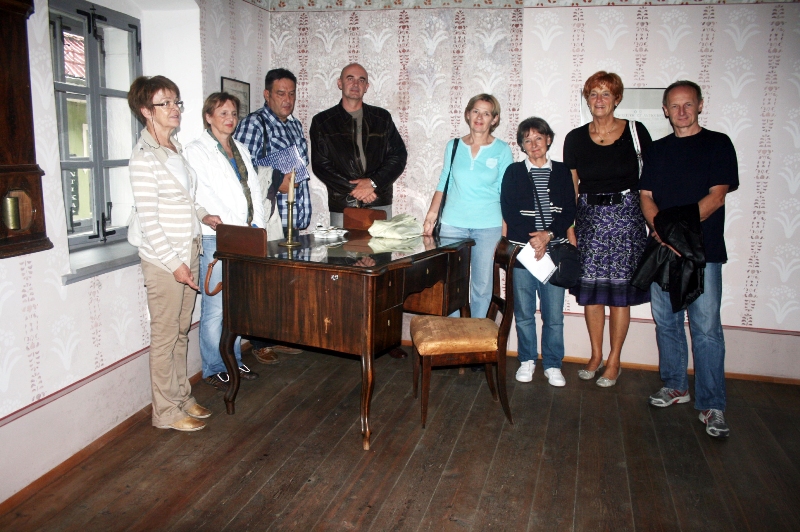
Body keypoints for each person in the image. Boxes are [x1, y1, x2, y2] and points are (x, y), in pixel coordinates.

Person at [640, 80, 738, 438]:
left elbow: (717, 196)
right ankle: (675, 385)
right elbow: (646, 196)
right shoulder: (657, 150)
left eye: (688, 104)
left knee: (706, 329)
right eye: (674, 105)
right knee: (666, 322)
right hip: (663, 250)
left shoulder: (718, 144)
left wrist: (676, 232)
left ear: (699, 105)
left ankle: (712, 404)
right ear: (665, 110)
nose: (681, 111)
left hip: (703, 252)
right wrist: (664, 234)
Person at [128, 75, 221, 431]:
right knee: (165, 337)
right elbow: (149, 221)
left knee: (181, 331)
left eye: (176, 101)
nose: (175, 109)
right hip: (164, 262)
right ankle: (165, 411)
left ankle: (182, 397)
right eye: (165, 103)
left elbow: (184, 199)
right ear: (145, 110)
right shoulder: (143, 158)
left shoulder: (173, 148)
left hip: (188, 252)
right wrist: (176, 266)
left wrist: (203, 215)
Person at [563, 71, 652, 387]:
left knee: (619, 295)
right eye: (593, 94)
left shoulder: (636, 132)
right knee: (592, 293)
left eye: (605, 93)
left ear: (617, 99)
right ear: (587, 100)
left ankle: (614, 360)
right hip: (589, 221)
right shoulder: (575, 138)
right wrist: (570, 226)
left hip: (626, 219)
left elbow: (650, 182)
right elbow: (571, 187)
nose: (599, 99)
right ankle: (596, 355)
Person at [185, 92, 265, 391]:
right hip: (217, 237)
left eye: (233, 113)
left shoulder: (240, 148)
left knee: (237, 305)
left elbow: (253, 192)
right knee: (216, 307)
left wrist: (256, 226)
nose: (230, 118)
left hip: (244, 236)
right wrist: (237, 227)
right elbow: (204, 195)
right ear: (208, 117)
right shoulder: (196, 151)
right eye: (223, 113)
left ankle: (233, 360)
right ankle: (214, 367)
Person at [234, 68, 307, 364]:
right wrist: (276, 181)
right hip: (271, 218)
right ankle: (260, 341)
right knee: (263, 282)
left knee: (285, 282)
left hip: (292, 217)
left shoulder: (295, 125)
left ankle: (280, 335)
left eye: (291, 93)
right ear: (267, 94)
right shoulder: (254, 124)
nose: (287, 99)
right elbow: (241, 170)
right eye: (280, 93)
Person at [422, 94, 513, 321]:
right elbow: (444, 181)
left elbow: (507, 193)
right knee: (451, 282)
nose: (480, 117)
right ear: (467, 114)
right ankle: (453, 332)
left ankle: (477, 331)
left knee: (482, 285)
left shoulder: (502, 149)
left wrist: (505, 231)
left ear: (494, 119)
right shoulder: (453, 146)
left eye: (486, 113)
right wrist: (431, 215)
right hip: (453, 224)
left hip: (488, 226)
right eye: (476, 111)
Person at [501, 117, 575, 387]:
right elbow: (509, 211)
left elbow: (569, 210)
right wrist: (534, 241)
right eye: (527, 140)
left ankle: (553, 364)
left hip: (554, 253)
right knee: (524, 313)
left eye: (538, 138)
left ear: (548, 140)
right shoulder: (513, 172)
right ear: (522, 145)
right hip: (523, 254)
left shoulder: (562, 171)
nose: (534, 145)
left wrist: (547, 236)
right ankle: (527, 360)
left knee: (553, 316)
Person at [310, 63, 407, 228]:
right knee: (343, 246)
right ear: (340, 83)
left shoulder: (382, 118)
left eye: (361, 80)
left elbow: (398, 156)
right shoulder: (322, 122)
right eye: (350, 79)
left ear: (366, 87)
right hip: (343, 205)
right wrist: (356, 189)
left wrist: (373, 183)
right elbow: (321, 165)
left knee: (380, 245)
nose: (355, 84)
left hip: (378, 201)